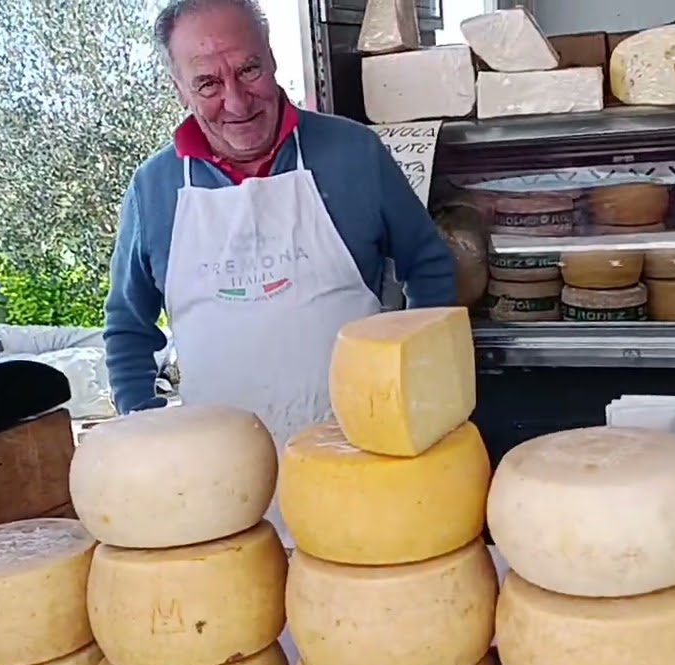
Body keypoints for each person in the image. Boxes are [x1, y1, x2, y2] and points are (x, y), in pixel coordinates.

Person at [103, 0, 457, 455]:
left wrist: (421, 390)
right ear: (179, 89)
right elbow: (129, 326)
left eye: (249, 70)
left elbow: (428, 265)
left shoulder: (353, 153)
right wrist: (145, 430)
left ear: (272, 59)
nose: (235, 101)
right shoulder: (154, 188)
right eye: (208, 82)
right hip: (219, 475)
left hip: (362, 455)